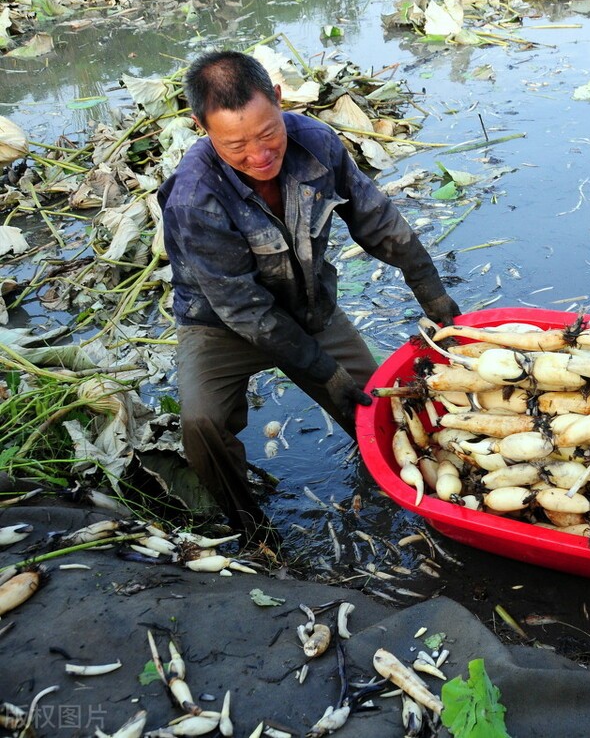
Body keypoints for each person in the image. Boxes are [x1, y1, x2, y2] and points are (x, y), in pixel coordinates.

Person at [160, 51, 460, 549]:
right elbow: (246, 311)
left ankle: (419, 499)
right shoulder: (193, 197)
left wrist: (434, 296)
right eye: (236, 145)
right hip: (220, 324)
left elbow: (377, 221)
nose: (259, 155)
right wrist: (324, 371)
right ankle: (250, 529)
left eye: (267, 134)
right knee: (201, 424)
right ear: (201, 127)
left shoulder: (317, 143)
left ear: (278, 99)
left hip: (307, 304)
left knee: (381, 410)